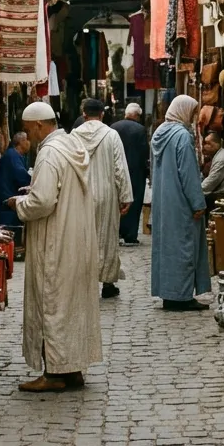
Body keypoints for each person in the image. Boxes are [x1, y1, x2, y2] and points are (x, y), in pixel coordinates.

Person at [10, 101, 102, 392]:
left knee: (53, 304)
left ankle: (53, 374)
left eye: (28, 129)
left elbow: (43, 202)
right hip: (77, 240)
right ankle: (72, 369)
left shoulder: (49, 153)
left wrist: (19, 202)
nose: (29, 135)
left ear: (38, 125)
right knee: (70, 305)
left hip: (56, 242)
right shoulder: (71, 145)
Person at [149, 95, 212, 312]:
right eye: (193, 112)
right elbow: (188, 173)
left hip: (163, 202)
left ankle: (170, 293)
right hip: (181, 202)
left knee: (168, 248)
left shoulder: (159, 134)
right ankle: (182, 297)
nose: (194, 117)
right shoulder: (182, 137)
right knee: (185, 247)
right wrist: (198, 203)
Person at [74, 98, 133, 299]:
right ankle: (108, 284)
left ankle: (84, 282)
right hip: (107, 194)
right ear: (102, 114)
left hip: (81, 194)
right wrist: (125, 196)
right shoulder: (111, 135)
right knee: (107, 238)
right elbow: (120, 168)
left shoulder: (74, 135)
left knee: (83, 238)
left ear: (84, 114)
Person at [113, 103, 148, 245]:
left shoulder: (113, 127)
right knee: (134, 202)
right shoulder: (140, 129)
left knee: (117, 200)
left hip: (116, 168)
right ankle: (130, 234)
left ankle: (117, 230)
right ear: (137, 115)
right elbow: (144, 152)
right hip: (135, 171)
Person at [0, 130, 31, 229]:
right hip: (6, 204)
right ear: (21, 141)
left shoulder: (15, 156)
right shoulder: (12, 156)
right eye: (28, 140)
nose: (29, 143)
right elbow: (23, 178)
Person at [201, 131, 224, 214]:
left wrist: (192, 193)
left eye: (208, 144)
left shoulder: (221, 159)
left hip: (223, 197)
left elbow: (209, 185)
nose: (204, 147)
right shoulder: (217, 156)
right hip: (217, 195)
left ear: (217, 144)